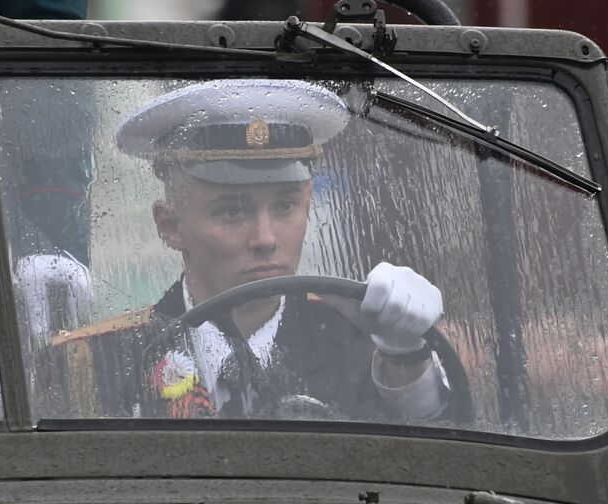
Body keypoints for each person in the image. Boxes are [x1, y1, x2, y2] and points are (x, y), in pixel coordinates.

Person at [53, 79, 450, 421]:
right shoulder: (94, 366)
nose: (265, 238)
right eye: (232, 210)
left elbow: (437, 467)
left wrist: (406, 357)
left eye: (284, 206)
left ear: (308, 201)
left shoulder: (363, 349)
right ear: (170, 225)